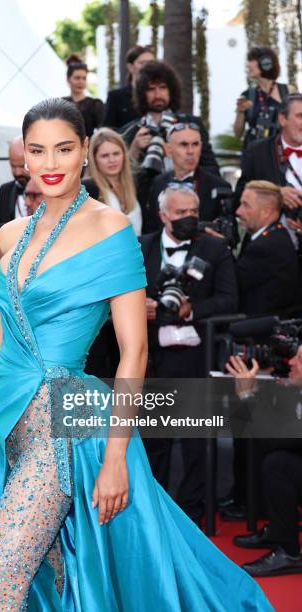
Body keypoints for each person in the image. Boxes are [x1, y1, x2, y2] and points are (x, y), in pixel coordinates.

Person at [0, 98, 272, 610]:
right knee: (47, 588)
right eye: (38, 151)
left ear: (85, 154)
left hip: (65, 427)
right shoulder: (9, 234)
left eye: (64, 149)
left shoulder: (111, 228)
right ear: (23, 159)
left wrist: (116, 455)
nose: (50, 164)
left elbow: (133, 353)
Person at [140, 184, 238, 525]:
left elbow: (229, 299)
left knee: (197, 443)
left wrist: (190, 309)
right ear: (163, 214)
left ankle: (192, 516)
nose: (189, 219)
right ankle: (153, 515)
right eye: (181, 213)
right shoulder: (142, 246)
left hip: (196, 357)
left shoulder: (215, 247)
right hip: (154, 360)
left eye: (193, 212)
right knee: (156, 443)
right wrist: (140, 307)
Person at [226, 351, 302, 577]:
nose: (290, 362)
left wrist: (249, 396)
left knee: (278, 463)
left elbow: (274, 436)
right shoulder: (293, 388)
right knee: (263, 448)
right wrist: (250, 394)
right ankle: (279, 530)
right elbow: (252, 429)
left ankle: (290, 553)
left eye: (299, 359)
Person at [121, 60, 219, 177]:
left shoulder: (191, 124)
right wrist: (134, 150)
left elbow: (211, 169)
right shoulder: (131, 132)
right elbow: (122, 180)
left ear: (171, 90)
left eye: (163, 88)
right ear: (142, 93)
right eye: (151, 89)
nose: (158, 95)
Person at [234, 93, 302, 236]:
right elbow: (239, 195)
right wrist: (275, 195)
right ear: (283, 119)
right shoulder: (258, 151)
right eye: (300, 116)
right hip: (267, 244)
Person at [146, 123, 232, 233]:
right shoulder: (157, 183)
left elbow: (231, 234)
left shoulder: (219, 186)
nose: (190, 151)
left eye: (195, 144)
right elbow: (150, 229)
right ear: (168, 150)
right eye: (183, 144)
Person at [235, 180, 298, 316]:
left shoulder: (266, 246)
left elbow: (231, 283)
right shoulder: (275, 235)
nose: (238, 211)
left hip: (258, 330)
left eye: (246, 205)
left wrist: (218, 248)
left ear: (265, 212)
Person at [83, 127, 142, 235]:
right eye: (105, 156)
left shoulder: (136, 183)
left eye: (116, 154)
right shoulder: (87, 189)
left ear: (124, 155)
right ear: (94, 159)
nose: (112, 160)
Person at [234, 47, 295, 150]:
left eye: (251, 60)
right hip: (254, 154)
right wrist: (240, 112)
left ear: (266, 62)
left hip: (281, 153)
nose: (247, 65)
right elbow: (237, 134)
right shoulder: (247, 95)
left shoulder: (288, 91)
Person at [103, 44, 154, 130]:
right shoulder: (116, 97)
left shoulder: (160, 96)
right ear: (130, 67)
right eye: (142, 63)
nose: (148, 67)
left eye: (152, 63)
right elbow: (108, 132)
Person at [63, 54, 104, 138]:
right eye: (77, 78)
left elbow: (102, 132)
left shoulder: (95, 104)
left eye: (84, 78)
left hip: (89, 148)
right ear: (68, 79)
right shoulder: (60, 104)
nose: (81, 82)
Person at [0, 136, 31, 224]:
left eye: (23, 166)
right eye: (13, 166)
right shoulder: (5, 191)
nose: (17, 173)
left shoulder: (51, 192)